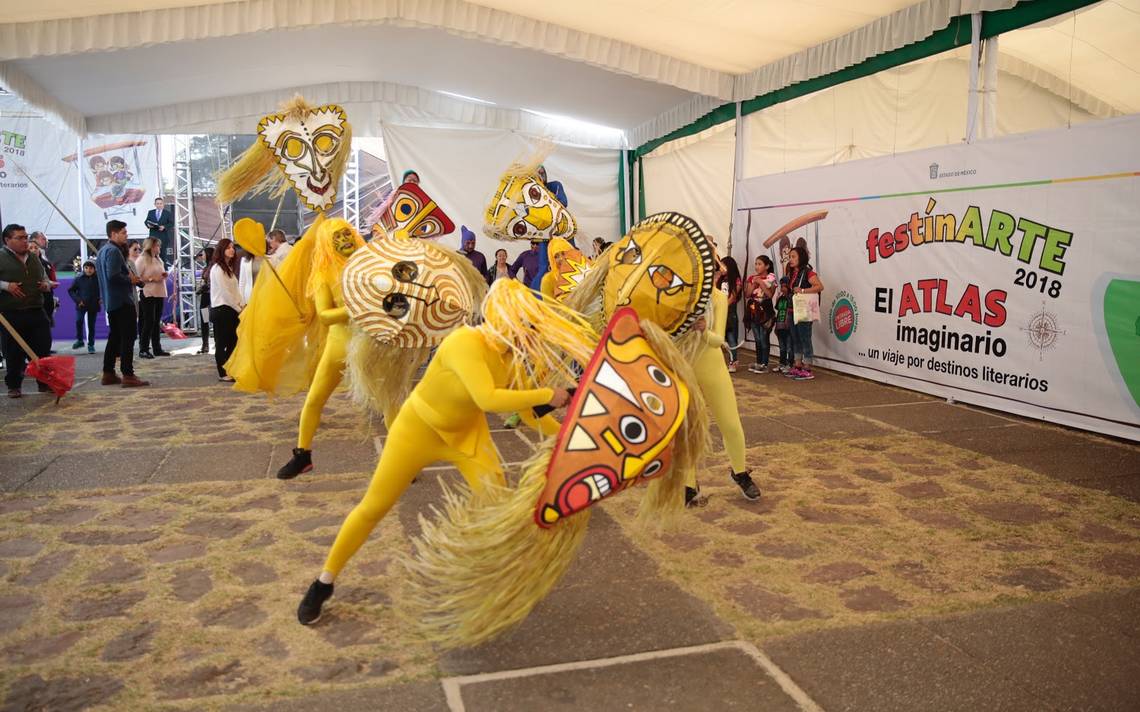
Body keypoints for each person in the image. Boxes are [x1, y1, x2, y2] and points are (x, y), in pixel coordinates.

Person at [295, 279, 575, 625]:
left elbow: (531, 415)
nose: (527, 334)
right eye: (523, 324)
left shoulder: (512, 354)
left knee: (499, 508)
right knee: (373, 507)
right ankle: (324, 581)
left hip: (467, 436)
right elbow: (488, 398)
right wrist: (547, 394)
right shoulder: (465, 342)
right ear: (502, 317)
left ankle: (495, 583)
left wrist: (568, 434)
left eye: (530, 326)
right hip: (418, 430)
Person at [0, 224, 53, 398]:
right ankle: (14, 385)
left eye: (25, 237)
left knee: (43, 348)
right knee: (13, 351)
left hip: (36, 309)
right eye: (20, 238)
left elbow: (44, 277)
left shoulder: (33, 257)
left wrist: (46, 285)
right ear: (8, 240)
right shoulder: (1, 257)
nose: (25, 241)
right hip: (11, 312)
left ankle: (44, 382)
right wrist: (7, 286)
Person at [96, 221, 149, 388]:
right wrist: (130, 279)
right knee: (127, 338)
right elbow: (113, 276)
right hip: (122, 300)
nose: (126, 235)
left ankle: (108, 372)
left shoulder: (103, 251)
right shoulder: (113, 251)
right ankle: (128, 374)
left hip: (112, 301)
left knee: (115, 337)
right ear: (113, 234)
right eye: (123, 232)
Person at [786, 244, 824, 381]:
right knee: (795, 339)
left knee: (804, 338)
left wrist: (802, 291)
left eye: (793, 256)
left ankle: (807, 367)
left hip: (804, 311)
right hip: (792, 309)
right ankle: (797, 365)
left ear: (801, 257)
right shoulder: (792, 272)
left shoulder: (808, 272)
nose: (790, 259)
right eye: (789, 257)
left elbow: (820, 286)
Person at [208, 238, 244, 381]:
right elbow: (224, 293)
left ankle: (230, 368)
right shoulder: (217, 269)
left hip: (232, 309)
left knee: (233, 341)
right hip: (222, 309)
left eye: (232, 248)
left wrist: (241, 304)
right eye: (228, 248)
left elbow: (235, 290)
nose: (232, 250)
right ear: (221, 250)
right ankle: (223, 373)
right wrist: (238, 307)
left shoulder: (228, 269)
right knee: (221, 342)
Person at [134, 237, 170, 358]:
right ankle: (143, 349)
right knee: (148, 321)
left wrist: (164, 275)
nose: (159, 248)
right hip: (148, 292)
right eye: (157, 246)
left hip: (159, 292)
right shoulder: (142, 259)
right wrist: (152, 279)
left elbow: (159, 272)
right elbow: (136, 277)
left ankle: (157, 348)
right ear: (151, 247)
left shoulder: (158, 259)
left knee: (156, 322)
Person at [744, 255, 777, 373]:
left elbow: (769, 294)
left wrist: (761, 283)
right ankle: (758, 362)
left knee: (764, 337)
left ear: (767, 266)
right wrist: (753, 284)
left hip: (766, 312)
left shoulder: (771, 278)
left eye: (760, 264)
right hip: (753, 311)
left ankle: (765, 364)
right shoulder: (751, 278)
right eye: (756, 264)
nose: (757, 266)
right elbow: (747, 294)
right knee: (757, 338)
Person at [715, 254, 743, 373]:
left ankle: (733, 361)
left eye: (724, 266)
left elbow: (733, 297)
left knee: (731, 338)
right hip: (720, 311)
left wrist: (722, 306)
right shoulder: (720, 279)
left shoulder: (736, 280)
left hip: (730, 312)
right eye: (721, 266)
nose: (721, 268)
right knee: (719, 338)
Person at [68, 260, 101, 353]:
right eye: (86, 268)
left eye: (91, 268)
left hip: (93, 304)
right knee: (79, 320)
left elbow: (103, 289)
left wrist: (101, 298)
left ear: (95, 269)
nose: (88, 270)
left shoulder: (98, 278)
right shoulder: (79, 278)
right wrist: (78, 300)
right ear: (83, 269)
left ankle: (91, 344)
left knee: (91, 325)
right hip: (81, 304)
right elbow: (71, 290)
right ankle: (80, 340)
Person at [30, 232, 59, 331]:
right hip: (32, 302)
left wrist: (49, 284)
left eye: (36, 248)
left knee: (45, 326)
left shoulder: (45, 263)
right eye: (31, 248)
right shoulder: (21, 265)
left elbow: (51, 280)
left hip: (47, 299)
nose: (34, 250)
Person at [772, 277, 794, 373]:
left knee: (789, 346)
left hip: (789, 326)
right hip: (780, 325)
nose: (783, 288)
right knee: (782, 346)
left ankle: (790, 364)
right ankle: (782, 363)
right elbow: (778, 309)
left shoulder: (792, 297)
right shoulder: (781, 297)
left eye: (785, 286)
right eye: (781, 286)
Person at [196, 247, 214, 354]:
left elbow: (211, 283)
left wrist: (204, 287)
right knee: (205, 320)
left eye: (203, 254)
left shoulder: (213, 267)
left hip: (210, 297)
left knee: (208, 320)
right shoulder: (207, 267)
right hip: (206, 297)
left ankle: (207, 345)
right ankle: (205, 345)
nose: (201, 256)